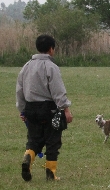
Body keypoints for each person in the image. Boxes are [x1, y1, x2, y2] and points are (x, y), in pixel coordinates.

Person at [16, 34, 73, 181]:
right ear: (51, 49)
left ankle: (28, 156)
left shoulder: (26, 66)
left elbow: (19, 90)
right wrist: (66, 109)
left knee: (34, 140)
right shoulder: (51, 67)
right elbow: (58, 91)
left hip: (30, 108)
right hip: (49, 109)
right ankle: (50, 173)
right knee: (53, 141)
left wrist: (22, 110)